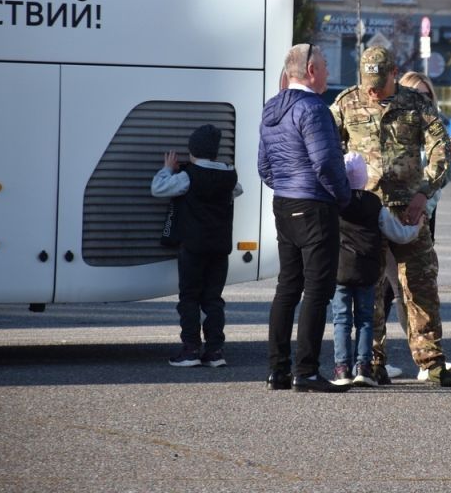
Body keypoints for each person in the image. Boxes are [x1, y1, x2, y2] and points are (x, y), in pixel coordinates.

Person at [331, 46, 451, 387]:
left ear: (394, 73)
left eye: (379, 84)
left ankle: (431, 361)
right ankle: (371, 361)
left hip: (408, 210)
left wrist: (423, 192)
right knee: (369, 289)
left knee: (420, 285)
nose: (373, 91)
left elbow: (441, 150)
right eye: (368, 84)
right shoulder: (346, 103)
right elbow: (327, 150)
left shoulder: (416, 104)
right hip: (364, 212)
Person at [258, 43, 352, 393]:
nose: (328, 72)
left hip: (284, 202)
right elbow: (326, 163)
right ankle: (307, 371)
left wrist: (286, 185)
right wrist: (343, 196)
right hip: (314, 205)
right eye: (325, 66)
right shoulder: (314, 108)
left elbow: (264, 166)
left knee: (287, 287)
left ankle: (277, 370)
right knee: (317, 289)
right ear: (311, 70)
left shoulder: (272, 108)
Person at [151, 124, 242, 368]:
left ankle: (191, 350)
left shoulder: (188, 176)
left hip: (193, 247)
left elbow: (158, 188)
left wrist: (167, 170)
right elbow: (237, 190)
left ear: (193, 150)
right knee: (213, 299)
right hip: (220, 248)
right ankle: (215, 351)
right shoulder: (229, 175)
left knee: (189, 297)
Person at [331, 152, 421, 387]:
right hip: (368, 270)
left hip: (339, 270)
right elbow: (398, 234)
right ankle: (363, 367)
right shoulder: (375, 205)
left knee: (341, 319)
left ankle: (341, 369)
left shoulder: (334, 204)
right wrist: (416, 227)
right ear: (364, 178)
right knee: (365, 320)